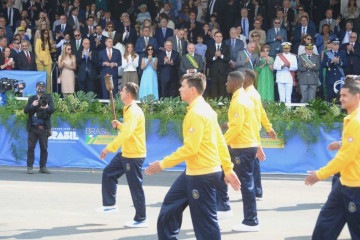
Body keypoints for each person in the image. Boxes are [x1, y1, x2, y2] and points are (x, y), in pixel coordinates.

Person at [145, 73, 240, 239]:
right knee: (169, 208)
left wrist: (162, 164)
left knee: (205, 225)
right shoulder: (204, 109)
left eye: (183, 86)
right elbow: (220, 141)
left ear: (193, 90)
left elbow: (190, 149)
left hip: (202, 175)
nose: (180, 89)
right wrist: (228, 168)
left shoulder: (198, 113)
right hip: (193, 172)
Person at [305, 78, 360, 240]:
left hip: (355, 187)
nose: (341, 98)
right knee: (324, 227)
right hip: (343, 184)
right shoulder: (351, 119)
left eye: (345, 95)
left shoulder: (356, 122)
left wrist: (320, 174)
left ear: (356, 97)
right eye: (340, 95)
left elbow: (345, 157)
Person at [98, 82, 148, 228]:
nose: (119, 93)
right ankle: (110, 204)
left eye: (122, 91)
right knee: (108, 173)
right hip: (127, 152)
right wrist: (119, 125)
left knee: (135, 186)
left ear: (128, 95)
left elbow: (126, 134)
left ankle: (141, 218)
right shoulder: (129, 109)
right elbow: (128, 129)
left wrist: (109, 148)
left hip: (133, 155)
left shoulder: (133, 111)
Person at [222, 71, 259, 232]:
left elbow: (236, 128)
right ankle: (222, 206)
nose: (226, 84)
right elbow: (242, 124)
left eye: (228, 81)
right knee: (220, 173)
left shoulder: (239, 101)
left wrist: (221, 143)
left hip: (242, 146)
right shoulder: (243, 98)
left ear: (235, 83)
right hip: (244, 144)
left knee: (246, 184)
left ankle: (251, 221)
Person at [243, 69, 277, 200]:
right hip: (250, 131)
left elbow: (254, 116)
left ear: (248, 79)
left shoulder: (249, 95)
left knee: (251, 163)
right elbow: (262, 112)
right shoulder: (252, 93)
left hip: (249, 132)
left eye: (242, 77)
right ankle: (255, 191)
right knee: (250, 163)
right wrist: (268, 128)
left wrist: (258, 140)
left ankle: (255, 191)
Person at [24, 81, 54, 174]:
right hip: (33, 127)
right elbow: (25, 111)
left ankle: (43, 167)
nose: (40, 89)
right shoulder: (32, 98)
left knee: (44, 148)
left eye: (42, 87)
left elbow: (52, 110)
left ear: (44, 88)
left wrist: (47, 107)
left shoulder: (48, 98)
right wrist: (32, 105)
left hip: (43, 128)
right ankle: (30, 167)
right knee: (30, 147)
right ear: (36, 88)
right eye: (39, 87)